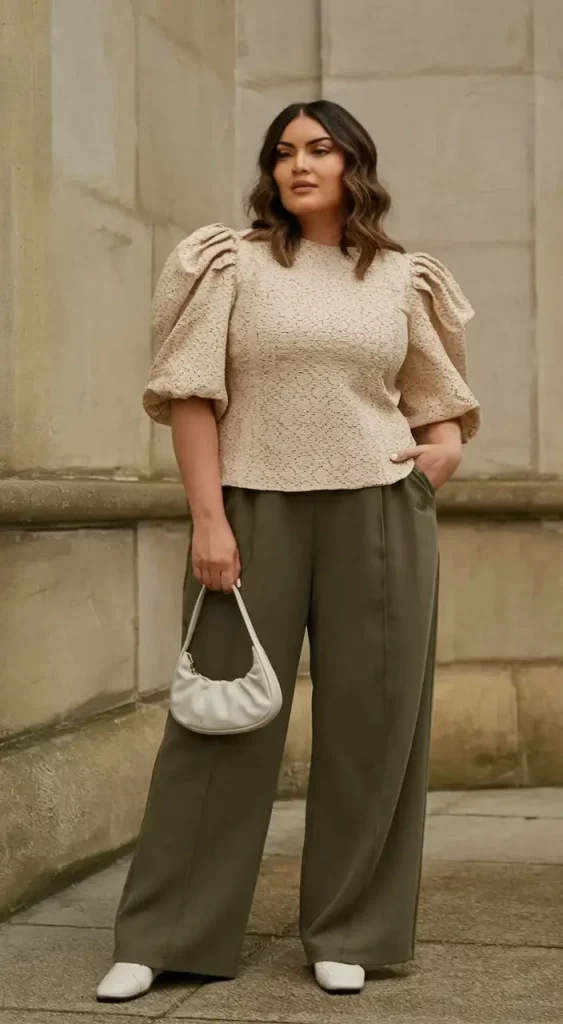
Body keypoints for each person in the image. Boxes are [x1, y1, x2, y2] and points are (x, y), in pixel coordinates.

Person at [97, 100, 480, 1002]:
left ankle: (349, 928)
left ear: (354, 162)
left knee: (375, 729)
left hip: (380, 513)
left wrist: (444, 453)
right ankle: (164, 934)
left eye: (318, 148)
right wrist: (208, 520)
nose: (298, 165)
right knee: (216, 724)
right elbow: (191, 395)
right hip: (255, 508)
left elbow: (439, 400)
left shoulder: (398, 276)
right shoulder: (231, 265)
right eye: (283, 153)